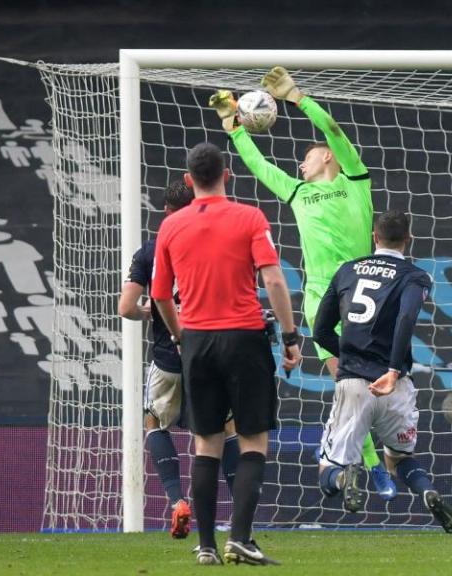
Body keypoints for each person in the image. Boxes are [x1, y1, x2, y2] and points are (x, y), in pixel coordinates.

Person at [209, 66, 396, 501]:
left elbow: (332, 129)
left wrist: (296, 97)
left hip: (363, 294)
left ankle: (381, 456)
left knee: (373, 388)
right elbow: (257, 164)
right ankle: (371, 467)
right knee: (346, 384)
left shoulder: (355, 181)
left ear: (327, 157)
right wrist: (233, 127)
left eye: (309, 157)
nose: (300, 162)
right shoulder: (297, 192)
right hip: (319, 299)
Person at [151, 142, 302, 565]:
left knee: (206, 445)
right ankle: (240, 538)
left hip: (196, 341)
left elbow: (161, 295)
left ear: (188, 180)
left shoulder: (170, 227)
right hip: (244, 337)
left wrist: (181, 336)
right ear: (227, 174)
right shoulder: (249, 216)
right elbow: (272, 279)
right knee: (253, 438)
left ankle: (205, 547)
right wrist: (290, 337)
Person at [312, 209, 452, 532]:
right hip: (396, 386)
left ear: (374, 237)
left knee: (328, 470)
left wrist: (351, 355)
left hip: (355, 384)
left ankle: (344, 477)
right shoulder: (414, 276)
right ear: (408, 239)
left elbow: (320, 330)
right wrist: (393, 370)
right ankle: (428, 492)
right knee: (398, 458)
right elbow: (406, 318)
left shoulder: (347, 271)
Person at [118, 179, 240, 539]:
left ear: (166, 212)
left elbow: (125, 307)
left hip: (168, 356)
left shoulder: (150, 250)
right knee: (225, 430)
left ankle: (176, 502)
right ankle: (239, 514)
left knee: (155, 423)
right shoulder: (216, 242)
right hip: (212, 351)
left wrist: (150, 313)